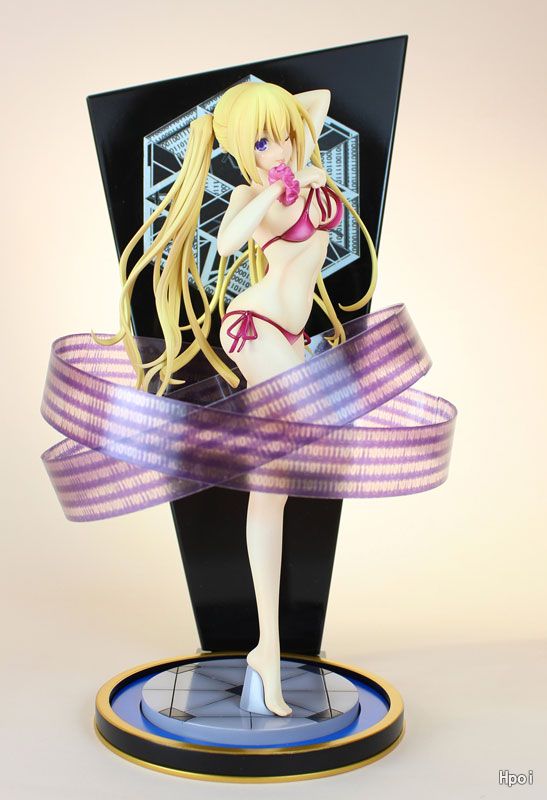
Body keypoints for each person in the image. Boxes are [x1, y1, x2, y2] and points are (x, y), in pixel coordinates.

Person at [94, 81, 377, 716]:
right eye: (259, 143)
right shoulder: (252, 195)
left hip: (291, 336)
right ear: (240, 152)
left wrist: (279, 128)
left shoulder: (304, 163)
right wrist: (269, 180)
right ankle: (212, 450)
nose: (276, 150)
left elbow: (321, 97)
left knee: (273, 489)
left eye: (280, 137)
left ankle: (266, 651)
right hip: (254, 327)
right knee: (320, 417)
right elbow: (226, 244)